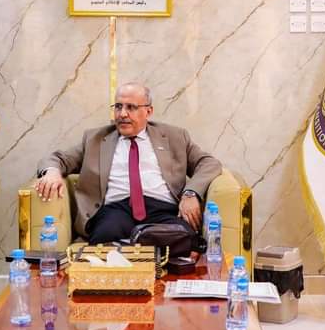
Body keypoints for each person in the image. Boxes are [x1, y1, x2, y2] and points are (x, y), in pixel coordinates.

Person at [35, 82, 222, 244]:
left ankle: (141, 242)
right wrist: (52, 172)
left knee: (185, 237)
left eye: (131, 107)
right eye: (118, 107)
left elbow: (208, 163)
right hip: (116, 210)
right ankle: (140, 244)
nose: (122, 114)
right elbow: (57, 159)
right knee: (105, 235)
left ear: (148, 111)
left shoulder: (175, 137)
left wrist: (191, 194)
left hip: (162, 211)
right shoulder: (95, 139)